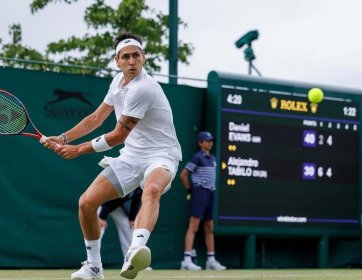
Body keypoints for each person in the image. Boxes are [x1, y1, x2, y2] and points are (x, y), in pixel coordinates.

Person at [42, 32, 182, 280]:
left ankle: (136, 249)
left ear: (143, 57)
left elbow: (118, 136)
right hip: (131, 157)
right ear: (117, 61)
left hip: (162, 154)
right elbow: (95, 119)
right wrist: (64, 138)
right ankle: (94, 267)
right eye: (125, 57)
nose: (131, 61)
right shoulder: (118, 82)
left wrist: (78, 150)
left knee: (151, 190)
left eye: (136, 56)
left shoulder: (144, 89)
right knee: (86, 203)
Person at [179, 131, 226, 271]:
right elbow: (183, 175)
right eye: (207, 140)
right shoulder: (197, 157)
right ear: (200, 143)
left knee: (209, 228)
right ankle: (186, 261)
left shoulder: (213, 159)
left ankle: (211, 260)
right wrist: (190, 191)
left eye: (211, 140)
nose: (210, 142)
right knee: (193, 227)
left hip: (210, 193)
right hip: (199, 193)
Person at [98, 188, 142, 259]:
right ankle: (92, 263)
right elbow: (107, 198)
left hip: (116, 206)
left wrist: (132, 219)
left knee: (128, 228)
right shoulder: (128, 180)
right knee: (97, 231)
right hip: (101, 205)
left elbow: (136, 201)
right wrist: (102, 217)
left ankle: (132, 261)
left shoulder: (140, 187)